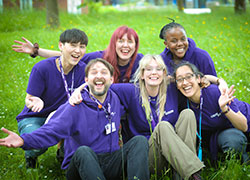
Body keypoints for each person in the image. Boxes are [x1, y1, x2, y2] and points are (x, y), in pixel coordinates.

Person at [0, 58, 150, 180]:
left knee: (139, 141)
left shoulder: (115, 98)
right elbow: (51, 131)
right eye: (94, 73)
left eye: (104, 72)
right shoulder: (75, 106)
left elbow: (145, 88)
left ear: (111, 79)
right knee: (84, 151)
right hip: (81, 166)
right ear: (86, 79)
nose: (99, 76)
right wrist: (24, 140)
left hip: (110, 161)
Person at [70, 55, 204, 180]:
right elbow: (101, 84)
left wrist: (216, 81)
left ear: (164, 74)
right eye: (149, 69)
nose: (154, 72)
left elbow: (193, 81)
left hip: (172, 153)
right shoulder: (131, 91)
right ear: (142, 74)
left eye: (158, 69)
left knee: (188, 114)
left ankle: (182, 173)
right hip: (146, 158)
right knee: (163, 126)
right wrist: (80, 89)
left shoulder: (172, 89)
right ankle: (193, 174)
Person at [15, 28, 88, 168]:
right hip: (36, 116)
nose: (78, 50)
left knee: (82, 138)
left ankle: (63, 154)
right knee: (37, 144)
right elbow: (28, 99)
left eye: (82, 46)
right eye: (73, 45)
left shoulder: (83, 70)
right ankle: (31, 156)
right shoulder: (42, 68)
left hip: (65, 117)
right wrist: (35, 101)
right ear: (61, 46)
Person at [173, 61, 250, 164]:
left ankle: (242, 163)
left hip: (243, 122)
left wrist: (224, 109)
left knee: (231, 141)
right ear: (177, 85)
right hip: (222, 131)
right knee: (227, 139)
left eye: (189, 77)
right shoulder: (183, 104)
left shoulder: (215, 93)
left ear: (198, 79)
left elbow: (244, 126)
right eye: (180, 79)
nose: (185, 83)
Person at [12, 26, 143, 83]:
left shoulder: (140, 61)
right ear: (113, 43)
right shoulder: (99, 58)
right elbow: (68, 56)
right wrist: (37, 51)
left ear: (135, 45)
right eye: (121, 41)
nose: (125, 46)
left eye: (130, 42)